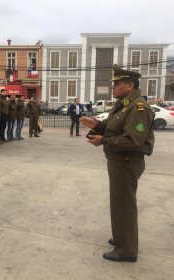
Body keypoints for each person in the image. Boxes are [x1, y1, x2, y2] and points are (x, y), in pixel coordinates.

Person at [80, 64, 155, 262]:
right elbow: (117, 130)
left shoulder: (138, 107)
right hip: (119, 160)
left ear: (129, 85)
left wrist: (103, 140)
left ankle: (127, 250)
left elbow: (133, 140)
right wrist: (98, 125)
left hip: (127, 161)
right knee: (118, 203)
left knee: (124, 205)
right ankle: (122, 238)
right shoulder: (124, 104)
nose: (113, 87)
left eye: (117, 84)